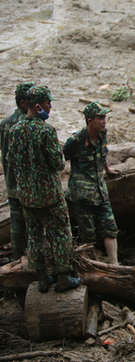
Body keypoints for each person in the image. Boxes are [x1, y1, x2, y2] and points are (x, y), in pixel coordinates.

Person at [8, 86, 81, 293]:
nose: (50, 107)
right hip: (49, 195)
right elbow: (58, 163)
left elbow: (12, 162)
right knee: (60, 233)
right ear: (38, 106)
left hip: (27, 196)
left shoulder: (15, 131)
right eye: (49, 103)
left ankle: (42, 277)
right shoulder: (46, 131)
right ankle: (63, 276)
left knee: (35, 235)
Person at [63, 102, 121, 265]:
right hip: (82, 195)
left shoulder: (103, 134)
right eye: (100, 118)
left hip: (100, 192)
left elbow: (102, 153)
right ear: (89, 121)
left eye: (105, 118)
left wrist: (108, 169)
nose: (104, 121)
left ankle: (114, 264)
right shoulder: (76, 140)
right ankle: (92, 267)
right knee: (88, 235)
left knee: (110, 227)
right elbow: (60, 159)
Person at [0, 82, 34, 259]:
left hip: (11, 182)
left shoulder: (4, 123)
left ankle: (17, 257)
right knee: (31, 222)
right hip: (28, 184)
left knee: (16, 223)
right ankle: (33, 258)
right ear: (23, 103)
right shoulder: (28, 124)